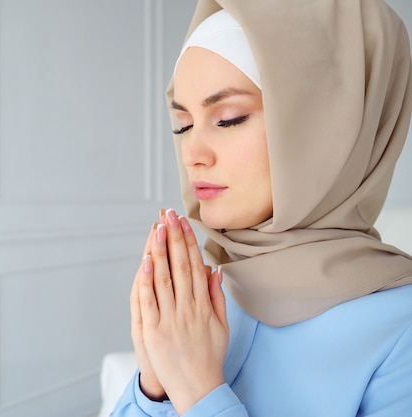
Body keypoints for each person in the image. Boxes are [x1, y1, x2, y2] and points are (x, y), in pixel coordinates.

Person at [110, 1, 412, 416]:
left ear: (324, 130)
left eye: (229, 118)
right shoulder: (206, 294)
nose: (191, 153)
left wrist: (198, 390)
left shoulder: (401, 327)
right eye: (182, 124)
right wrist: (154, 388)